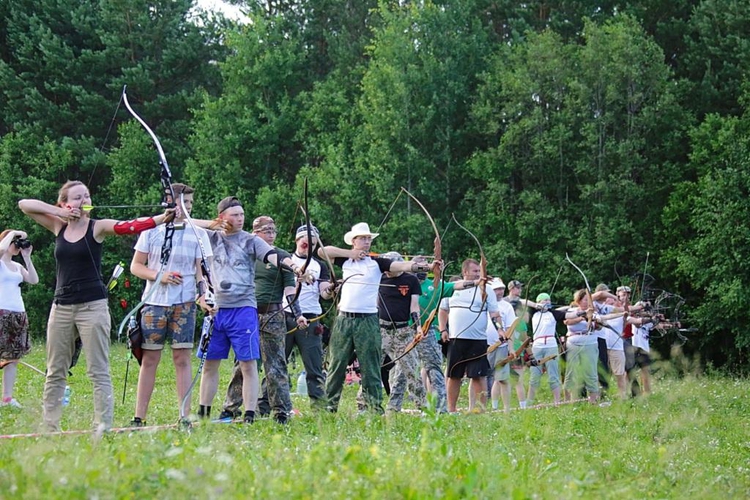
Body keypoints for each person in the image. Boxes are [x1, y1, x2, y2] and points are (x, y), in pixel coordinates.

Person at [19, 181, 174, 431]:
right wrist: (60, 213)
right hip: (62, 307)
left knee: (98, 369)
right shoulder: (58, 225)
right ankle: (50, 428)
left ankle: (102, 425)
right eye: (77, 197)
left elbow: (128, 226)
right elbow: (24, 205)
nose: (83, 201)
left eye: (86, 196)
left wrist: (161, 218)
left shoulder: (97, 227)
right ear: (65, 202)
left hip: (93, 306)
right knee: (55, 369)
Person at [195, 197, 307, 424]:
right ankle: (205, 413)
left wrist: (295, 266)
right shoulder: (210, 238)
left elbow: (275, 255)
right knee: (210, 363)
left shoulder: (250, 241)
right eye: (234, 214)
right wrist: (213, 224)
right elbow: (184, 223)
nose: (240, 218)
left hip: (244, 309)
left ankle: (249, 414)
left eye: (242, 214)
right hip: (217, 309)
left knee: (248, 363)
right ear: (222, 217)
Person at [318, 222, 435, 414]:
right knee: (337, 364)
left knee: (370, 365)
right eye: (362, 238)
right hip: (344, 319)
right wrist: (351, 254)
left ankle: (373, 408)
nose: (366, 242)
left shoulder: (377, 262)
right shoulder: (345, 260)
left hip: (369, 319)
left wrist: (424, 266)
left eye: (368, 238)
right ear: (353, 241)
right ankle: (330, 408)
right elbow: (323, 252)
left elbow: (401, 265)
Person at [129, 183, 212, 426]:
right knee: (150, 359)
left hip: (184, 303)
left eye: (190, 204)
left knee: (182, 358)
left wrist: (203, 295)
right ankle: (139, 417)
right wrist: (159, 276)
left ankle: (184, 417)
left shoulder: (197, 233)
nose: (186, 208)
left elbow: (201, 273)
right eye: (181, 203)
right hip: (155, 303)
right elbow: (136, 266)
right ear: (168, 202)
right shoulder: (151, 230)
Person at [439, 259, 503, 413]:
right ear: (465, 272)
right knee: (454, 375)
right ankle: (451, 409)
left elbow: (494, 313)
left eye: (479, 271)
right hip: (456, 339)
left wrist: (501, 329)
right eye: (475, 271)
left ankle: (479, 410)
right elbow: (443, 310)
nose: (478, 274)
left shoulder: (486, 289)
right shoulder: (453, 288)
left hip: (478, 339)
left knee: (478, 375)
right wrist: (443, 330)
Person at [283, 224, 334, 411]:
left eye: (312, 241)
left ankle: (319, 407)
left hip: (311, 318)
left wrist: (331, 289)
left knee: (314, 367)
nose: (308, 242)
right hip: (286, 316)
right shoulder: (285, 260)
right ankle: (266, 405)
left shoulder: (320, 266)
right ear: (297, 240)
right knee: (278, 364)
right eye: (304, 238)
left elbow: (324, 293)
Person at [377, 251, 425, 413]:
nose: (388, 271)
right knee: (373, 367)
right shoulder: (378, 278)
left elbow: (414, 306)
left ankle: (423, 407)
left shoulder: (411, 280)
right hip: (381, 329)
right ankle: (365, 404)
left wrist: (418, 327)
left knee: (411, 369)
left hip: (403, 330)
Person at [0, 229, 39, 408]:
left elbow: (33, 280)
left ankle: (7, 398)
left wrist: (27, 257)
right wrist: (13, 233)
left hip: (18, 313)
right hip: (1, 312)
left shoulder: (17, 267)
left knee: (13, 357)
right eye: (15, 242)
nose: (17, 245)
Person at [526, 293, 568, 405]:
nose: (547, 302)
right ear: (538, 302)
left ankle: (557, 402)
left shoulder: (553, 314)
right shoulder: (533, 313)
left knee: (553, 375)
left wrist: (575, 309)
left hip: (551, 346)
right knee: (534, 375)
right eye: (544, 300)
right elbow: (522, 301)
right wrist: (536, 305)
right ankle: (529, 403)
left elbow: (569, 314)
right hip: (537, 346)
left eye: (548, 300)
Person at [562, 289, 600, 403]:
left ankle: (593, 401)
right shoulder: (572, 311)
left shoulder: (594, 312)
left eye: (589, 300)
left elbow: (598, 327)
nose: (587, 302)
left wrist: (595, 320)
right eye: (585, 300)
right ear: (578, 300)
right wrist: (583, 316)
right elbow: (567, 321)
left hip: (590, 342)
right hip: (573, 343)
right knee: (571, 371)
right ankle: (567, 400)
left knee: (591, 371)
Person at [486, 278, 518, 412]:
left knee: (502, 379)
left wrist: (511, 348)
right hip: (485, 345)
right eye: (496, 289)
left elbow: (510, 328)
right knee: (482, 377)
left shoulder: (507, 306)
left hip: (501, 346)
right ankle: (492, 407)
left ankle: (506, 409)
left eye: (501, 289)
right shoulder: (484, 303)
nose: (499, 291)